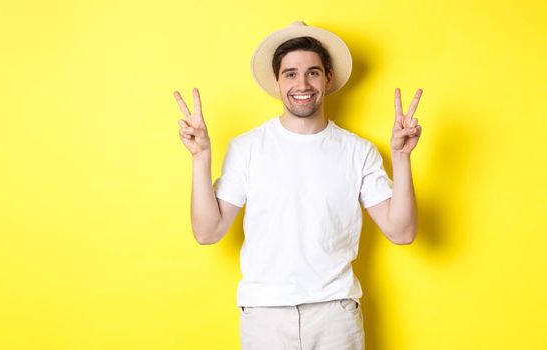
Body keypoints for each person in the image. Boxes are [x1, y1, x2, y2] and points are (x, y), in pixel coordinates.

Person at [173, 21, 422, 350]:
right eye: (290, 73)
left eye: (313, 72)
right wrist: (201, 157)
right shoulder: (247, 148)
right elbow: (208, 232)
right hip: (265, 317)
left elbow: (401, 232)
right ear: (276, 83)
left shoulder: (357, 151)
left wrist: (401, 157)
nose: (301, 83)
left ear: (328, 79)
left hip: (336, 314)